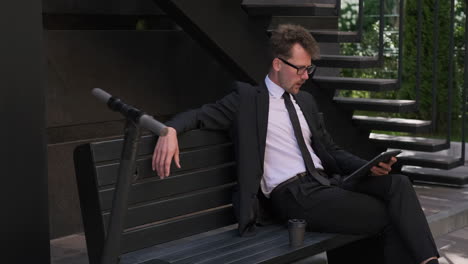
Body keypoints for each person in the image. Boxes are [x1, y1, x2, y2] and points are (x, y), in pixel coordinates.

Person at [152, 24, 439, 264]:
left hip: (326, 184)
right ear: (278, 63)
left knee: (397, 185)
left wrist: (368, 167)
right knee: (382, 215)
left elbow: (331, 150)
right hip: (293, 196)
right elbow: (199, 116)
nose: (305, 77)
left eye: (309, 70)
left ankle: (431, 261)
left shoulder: (305, 101)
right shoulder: (247, 100)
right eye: (301, 69)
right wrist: (170, 130)